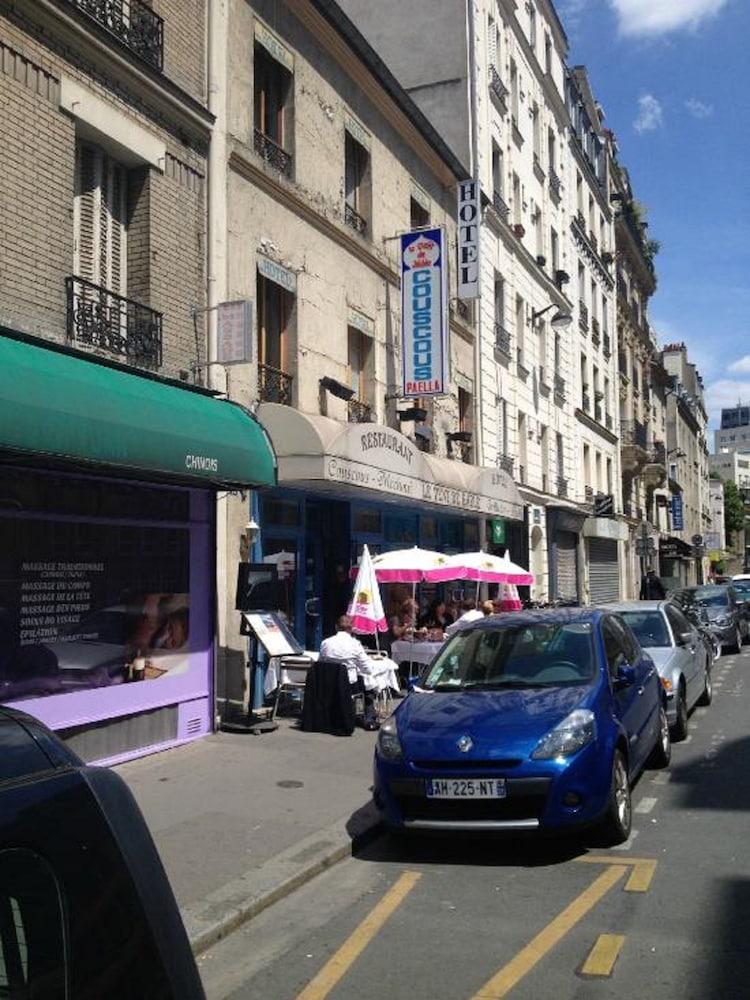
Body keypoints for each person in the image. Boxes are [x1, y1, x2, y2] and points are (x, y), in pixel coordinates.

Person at [319, 615, 378, 728]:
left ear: (336, 627)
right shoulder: (355, 644)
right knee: (368, 682)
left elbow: (321, 663)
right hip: (348, 684)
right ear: (351, 629)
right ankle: (370, 718)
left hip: (328, 682)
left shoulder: (325, 643)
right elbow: (368, 668)